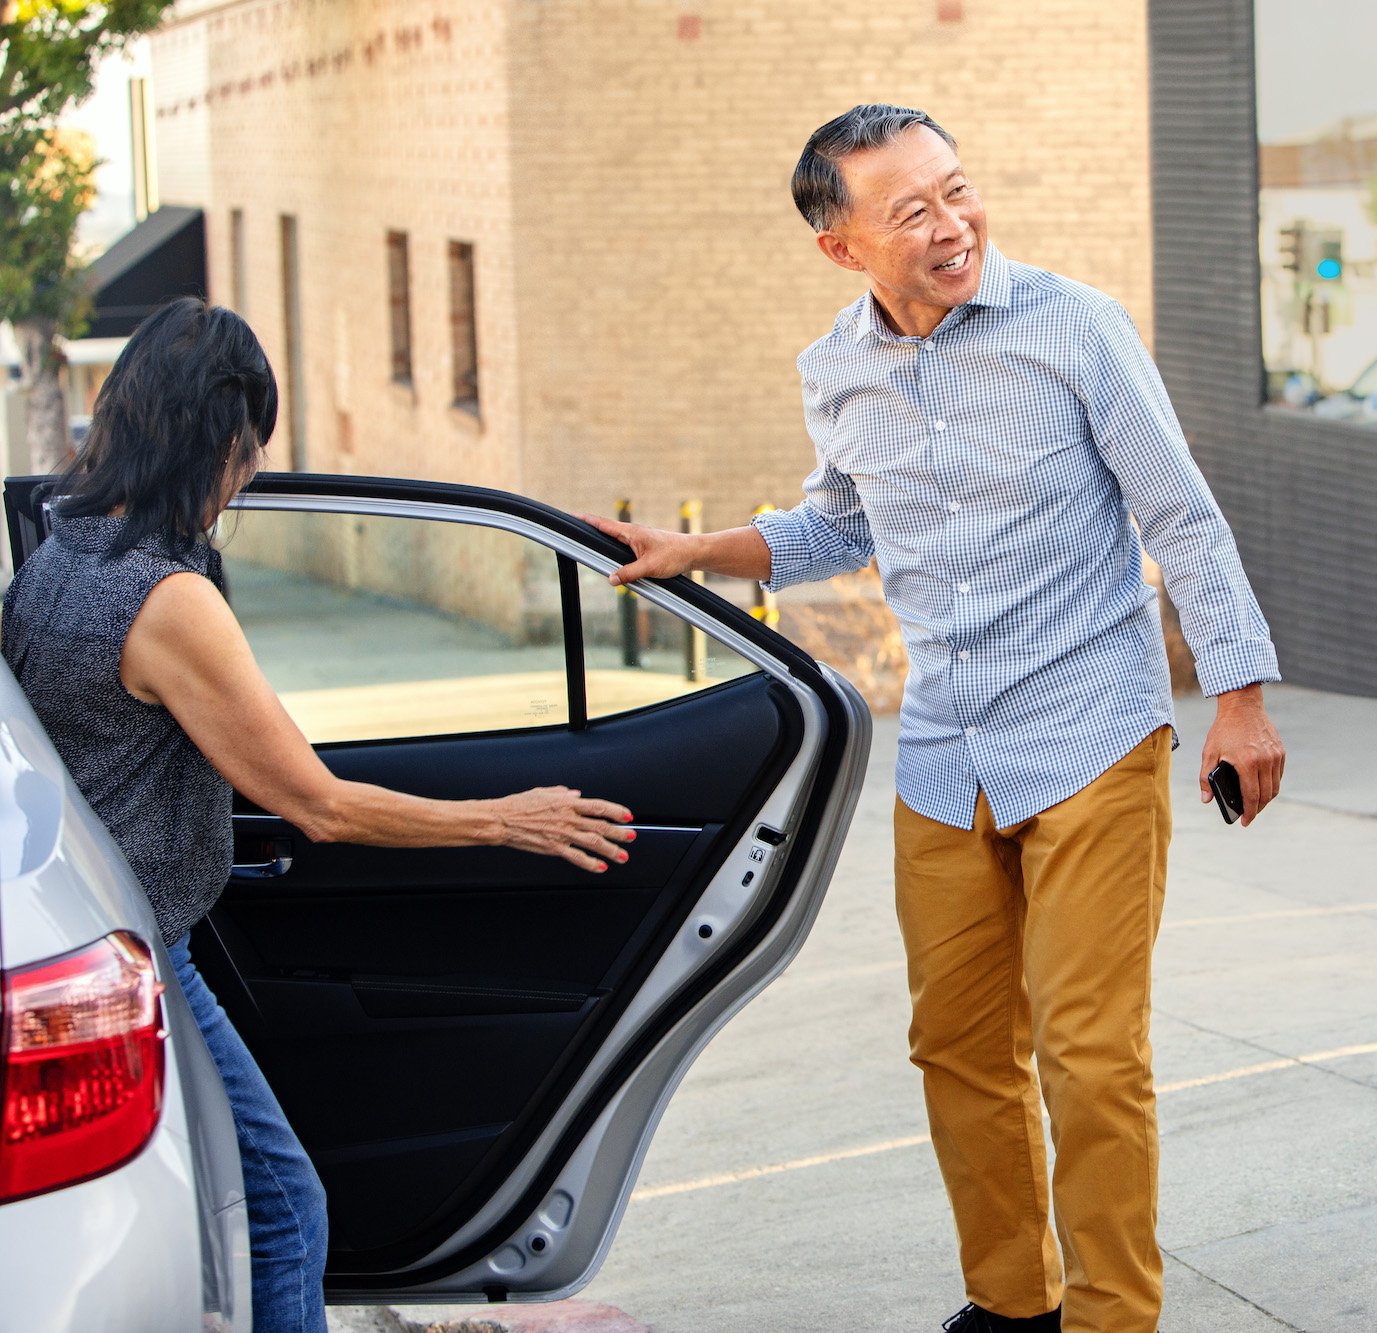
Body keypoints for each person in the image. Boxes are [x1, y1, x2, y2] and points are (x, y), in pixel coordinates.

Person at [585, 104, 1284, 1333]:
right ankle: (1013, 1302)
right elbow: (841, 524)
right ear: (842, 247)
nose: (951, 224)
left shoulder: (1074, 328)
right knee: (956, 1046)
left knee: (1088, 1056)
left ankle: (1114, 1316)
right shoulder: (835, 369)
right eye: (910, 210)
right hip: (946, 748)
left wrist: (1238, 698)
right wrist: (702, 547)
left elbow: (1179, 515)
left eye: (955, 191)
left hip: (1091, 732)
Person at [0, 298, 638, 1333]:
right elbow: (318, 805)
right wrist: (503, 820)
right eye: (247, 453)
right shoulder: (164, 598)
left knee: (235, 1207)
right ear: (214, 441)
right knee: (286, 1208)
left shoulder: (61, 548)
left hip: (100, 926)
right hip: (146, 951)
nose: (248, 477)